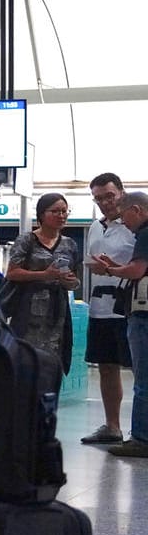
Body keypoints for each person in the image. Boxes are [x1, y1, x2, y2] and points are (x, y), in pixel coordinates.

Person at [90, 190, 148, 459]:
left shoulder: (144, 234)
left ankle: (141, 438)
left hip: (142, 313)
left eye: (125, 215)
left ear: (136, 209)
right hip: (114, 310)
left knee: (143, 378)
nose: (124, 222)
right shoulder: (97, 228)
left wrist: (111, 270)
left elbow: (136, 270)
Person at [81, 174, 133, 444]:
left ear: (121, 193)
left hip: (129, 306)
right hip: (100, 307)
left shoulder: (136, 226)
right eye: (99, 198)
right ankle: (112, 426)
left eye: (109, 196)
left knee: (139, 368)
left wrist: (112, 267)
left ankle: (142, 429)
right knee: (106, 365)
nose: (105, 203)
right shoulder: (95, 227)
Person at [3, 192, 78, 377]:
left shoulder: (69, 244)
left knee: (53, 359)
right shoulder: (27, 240)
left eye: (64, 211)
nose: (61, 215)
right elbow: (12, 273)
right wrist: (44, 274)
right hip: (29, 308)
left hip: (57, 310)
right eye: (55, 211)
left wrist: (69, 281)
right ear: (42, 215)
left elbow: (75, 279)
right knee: (27, 358)